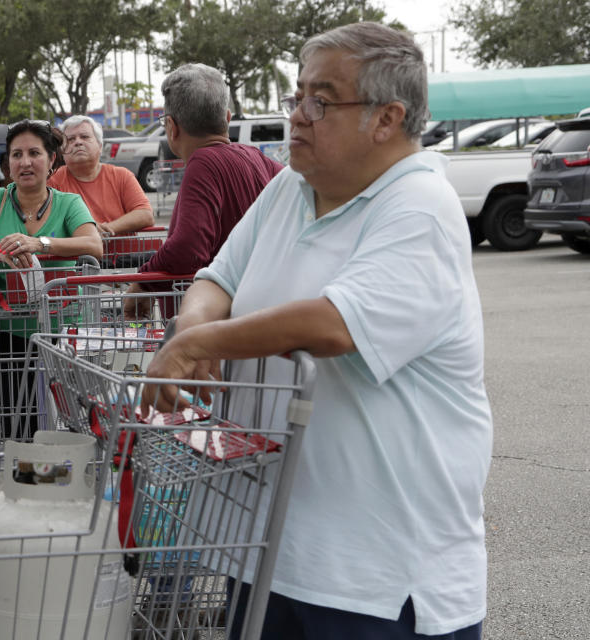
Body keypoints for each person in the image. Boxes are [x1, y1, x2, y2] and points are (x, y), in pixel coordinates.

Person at [143, 22, 491, 640]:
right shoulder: (289, 187)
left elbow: (334, 324)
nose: (298, 117)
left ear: (387, 118)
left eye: (321, 101)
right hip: (266, 548)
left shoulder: (419, 208)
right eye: (296, 97)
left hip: (374, 581)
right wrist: (192, 323)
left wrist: (200, 344)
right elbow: (216, 278)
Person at [0, 119, 102, 438]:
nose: (25, 162)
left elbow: (94, 245)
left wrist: (41, 244)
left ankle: (62, 481)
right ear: (7, 163)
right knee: (20, 425)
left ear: (52, 160)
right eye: (16, 154)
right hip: (4, 332)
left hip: (60, 331)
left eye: (34, 153)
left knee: (73, 423)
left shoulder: (68, 203)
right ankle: (26, 482)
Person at [124, 63, 283, 317]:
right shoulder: (257, 157)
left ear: (171, 127)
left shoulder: (204, 163)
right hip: (255, 308)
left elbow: (188, 247)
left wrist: (144, 281)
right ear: (227, 118)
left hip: (215, 325)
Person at [49, 114, 153, 236]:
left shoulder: (122, 176)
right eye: (71, 139)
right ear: (62, 151)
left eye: (84, 137)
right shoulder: (52, 180)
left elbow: (145, 214)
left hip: (124, 253)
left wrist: (106, 229)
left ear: (100, 146)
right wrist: (88, 231)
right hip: (77, 254)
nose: (78, 142)